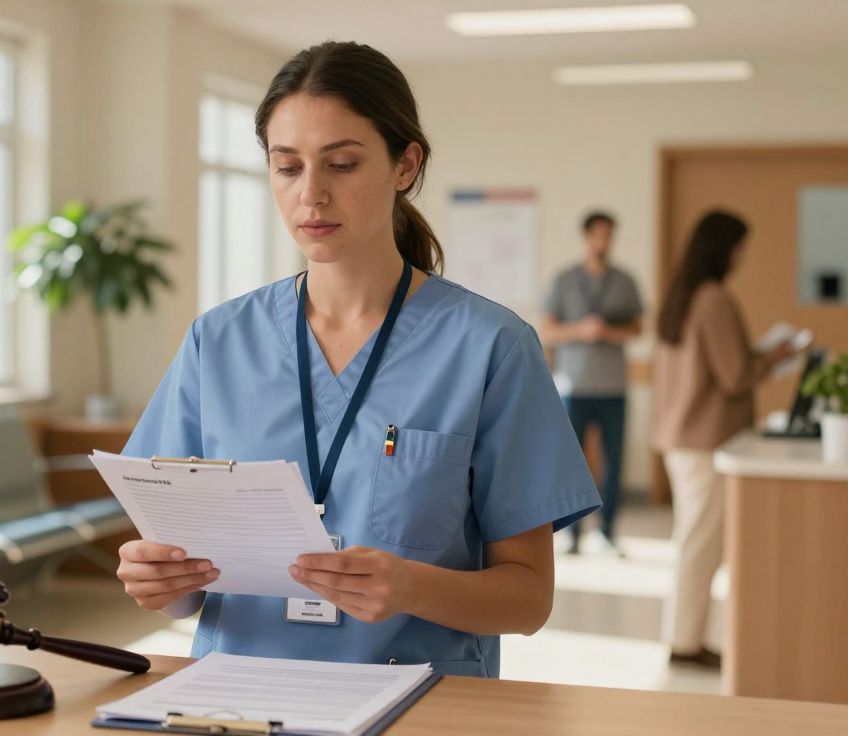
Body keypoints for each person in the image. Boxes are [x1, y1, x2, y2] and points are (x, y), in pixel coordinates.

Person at [114, 41, 600, 677]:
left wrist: (411, 587)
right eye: (287, 168)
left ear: (405, 164)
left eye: (341, 164)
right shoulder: (218, 342)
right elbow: (183, 590)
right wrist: (158, 580)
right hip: (237, 697)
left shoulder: (490, 346)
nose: (311, 194)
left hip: (419, 704)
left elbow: (529, 599)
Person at [652, 210, 797, 669]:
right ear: (723, 248)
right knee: (700, 545)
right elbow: (734, 376)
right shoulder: (714, 299)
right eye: (739, 247)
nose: (742, 256)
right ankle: (685, 642)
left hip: (683, 438)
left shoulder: (683, 295)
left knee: (694, 541)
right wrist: (774, 357)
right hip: (706, 439)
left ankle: (685, 636)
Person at [542, 212, 644, 556]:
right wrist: (582, 331)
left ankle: (608, 531)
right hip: (574, 386)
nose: (604, 242)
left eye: (609, 236)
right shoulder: (565, 280)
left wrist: (609, 333)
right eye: (599, 235)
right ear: (587, 237)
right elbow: (549, 331)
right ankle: (570, 533)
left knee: (614, 460)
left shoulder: (625, 281)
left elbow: (638, 329)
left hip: (613, 387)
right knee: (571, 461)